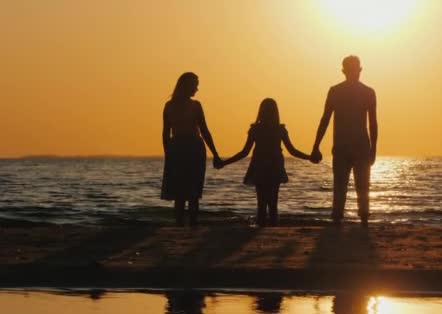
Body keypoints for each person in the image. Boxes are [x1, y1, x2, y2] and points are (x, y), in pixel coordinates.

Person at [217, 98, 311, 227]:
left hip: (260, 165)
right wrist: (309, 157)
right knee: (273, 203)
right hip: (274, 166)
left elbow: (244, 152)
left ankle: (261, 227)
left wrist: (225, 162)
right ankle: (272, 228)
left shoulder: (256, 129)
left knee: (261, 202)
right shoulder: (280, 130)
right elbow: (293, 151)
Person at [311, 55, 377, 227]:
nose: (355, 73)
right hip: (351, 146)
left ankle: (348, 218)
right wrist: (316, 145)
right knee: (355, 185)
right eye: (353, 70)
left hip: (352, 146)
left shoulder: (344, 91)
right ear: (346, 71)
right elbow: (325, 119)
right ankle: (351, 218)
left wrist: (316, 146)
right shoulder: (350, 91)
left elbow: (373, 122)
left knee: (347, 185)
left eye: (355, 70)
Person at [161, 72, 221, 227]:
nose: (197, 88)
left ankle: (184, 223)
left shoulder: (173, 105)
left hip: (186, 148)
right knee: (187, 191)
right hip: (187, 148)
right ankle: (186, 223)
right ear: (186, 86)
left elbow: (167, 133)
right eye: (195, 84)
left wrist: (215, 153)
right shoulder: (185, 105)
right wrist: (168, 153)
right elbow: (166, 132)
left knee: (185, 190)